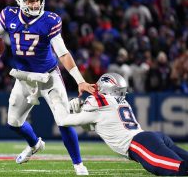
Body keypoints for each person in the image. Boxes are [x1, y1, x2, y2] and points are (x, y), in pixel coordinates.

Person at [0, 0, 95, 175]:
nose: (35, 5)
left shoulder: (50, 20)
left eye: (38, 1)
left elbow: (63, 53)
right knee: (13, 123)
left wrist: (80, 80)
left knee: (63, 121)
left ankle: (79, 166)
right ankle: (34, 144)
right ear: (20, 1)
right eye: (30, 1)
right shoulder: (9, 15)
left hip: (49, 77)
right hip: (24, 78)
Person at [55, 73, 188, 176]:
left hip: (139, 144)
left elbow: (64, 121)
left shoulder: (100, 102)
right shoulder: (120, 102)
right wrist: (80, 110)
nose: (121, 93)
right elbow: (89, 125)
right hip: (150, 138)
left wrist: (62, 105)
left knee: (178, 170)